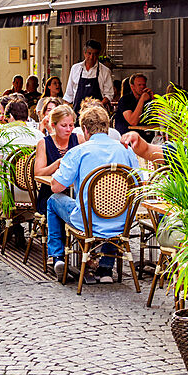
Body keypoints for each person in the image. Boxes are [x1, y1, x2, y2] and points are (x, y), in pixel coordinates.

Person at [46, 105, 137, 283]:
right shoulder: (126, 150)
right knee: (114, 212)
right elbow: (141, 185)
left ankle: (57, 256)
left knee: (53, 201)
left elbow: (56, 187)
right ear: (108, 127)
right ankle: (105, 270)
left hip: (87, 222)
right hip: (122, 222)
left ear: (85, 130)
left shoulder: (79, 152)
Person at [33, 105, 79, 214]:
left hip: (76, 196)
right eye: (64, 125)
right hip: (50, 194)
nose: (68, 129)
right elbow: (38, 173)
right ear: (53, 125)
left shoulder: (78, 139)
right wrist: (58, 163)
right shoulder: (44, 143)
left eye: (71, 125)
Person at [63, 39, 114, 113]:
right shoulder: (75, 68)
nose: (91, 57)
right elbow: (68, 95)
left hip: (97, 114)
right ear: (84, 53)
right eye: (89, 53)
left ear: (98, 54)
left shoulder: (105, 71)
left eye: (95, 54)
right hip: (77, 112)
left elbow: (109, 95)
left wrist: (98, 106)